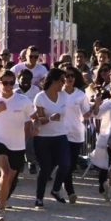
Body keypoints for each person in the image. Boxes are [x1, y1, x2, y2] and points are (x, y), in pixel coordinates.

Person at [0, 71, 34, 221]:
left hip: (18, 144)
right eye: (5, 83)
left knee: (10, 179)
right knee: (5, 173)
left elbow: (33, 117)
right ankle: (1, 209)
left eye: (11, 83)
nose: (8, 86)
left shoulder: (23, 100)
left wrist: (36, 125)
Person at [32, 69, 71, 208]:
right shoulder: (40, 97)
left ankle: (55, 190)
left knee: (65, 164)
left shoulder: (64, 96)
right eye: (62, 80)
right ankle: (39, 197)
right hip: (43, 137)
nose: (64, 83)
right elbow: (38, 119)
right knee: (46, 168)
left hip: (60, 135)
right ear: (54, 80)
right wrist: (50, 118)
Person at [62, 66, 91, 203]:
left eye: (72, 75)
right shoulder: (57, 93)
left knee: (71, 165)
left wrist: (96, 105)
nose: (69, 78)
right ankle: (70, 191)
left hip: (76, 133)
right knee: (65, 163)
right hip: (60, 133)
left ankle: (64, 183)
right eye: (67, 75)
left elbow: (86, 114)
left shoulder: (80, 95)